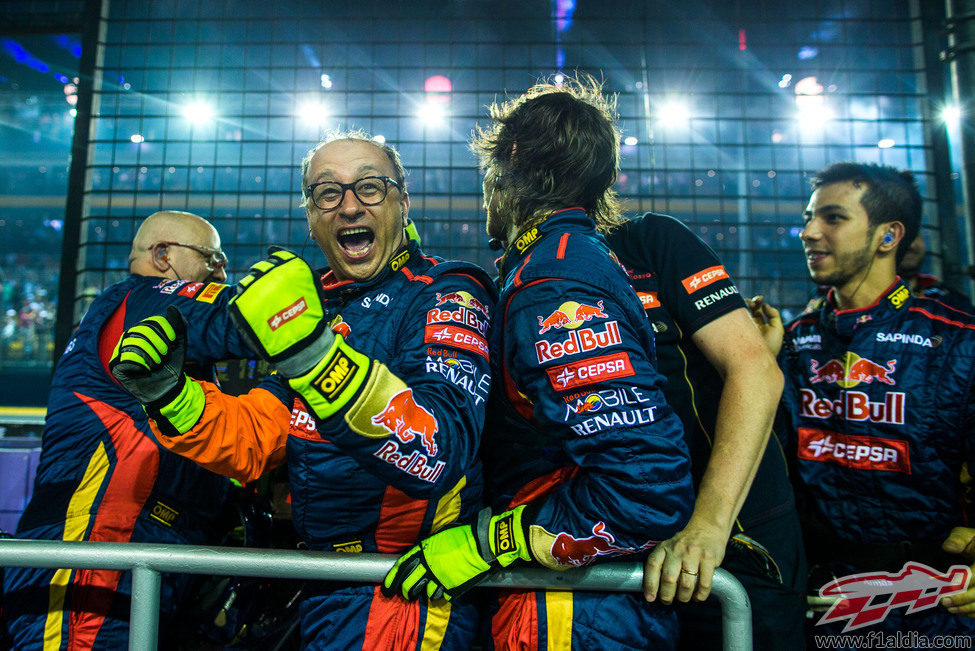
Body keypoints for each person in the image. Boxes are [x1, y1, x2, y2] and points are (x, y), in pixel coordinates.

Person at [109, 131, 496, 649]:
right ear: (311, 221)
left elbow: (438, 451)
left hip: (408, 590)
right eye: (327, 193)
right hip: (322, 586)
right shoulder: (321, 310)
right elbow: (252, 439)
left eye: (371, 188)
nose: (349, 206)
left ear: (404, 203)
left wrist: (315, 359)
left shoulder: (447, 292)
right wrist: (169, 395)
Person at [382, 75, 695, 649]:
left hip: (572, 611)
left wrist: (491, 542)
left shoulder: (553, 284)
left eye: (486, 174)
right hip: (576, 601)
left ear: (512, 164)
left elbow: (645, 489)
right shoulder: (568, 259)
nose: (483, 194)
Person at [1, 211, 252, 649]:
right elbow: (241, 319)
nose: (222, 273)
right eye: (213, 259)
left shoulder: (153, 331)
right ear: (162, 256)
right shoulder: (144, 299)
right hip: (93, 556)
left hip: (143, 552)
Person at [754, 162, 975, 640]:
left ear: (888, 236)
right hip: (818, 601)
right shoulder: (791, 342)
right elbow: (767, 470)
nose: (809, 232)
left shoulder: (959, 338)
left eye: (833, 218)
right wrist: (759, 368)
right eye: (810, 217)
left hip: (936, 607)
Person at [606, 213, 807, 649]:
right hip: (632, 550)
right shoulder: (518, 276)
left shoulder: (647, 240)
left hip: (733, 538)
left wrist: (708, 527)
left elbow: (757, 372)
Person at [897, 233, 973, 312]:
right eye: (900, 237)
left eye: (915, 236)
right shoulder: (884, 303)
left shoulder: (951, 299)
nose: (911, 245)